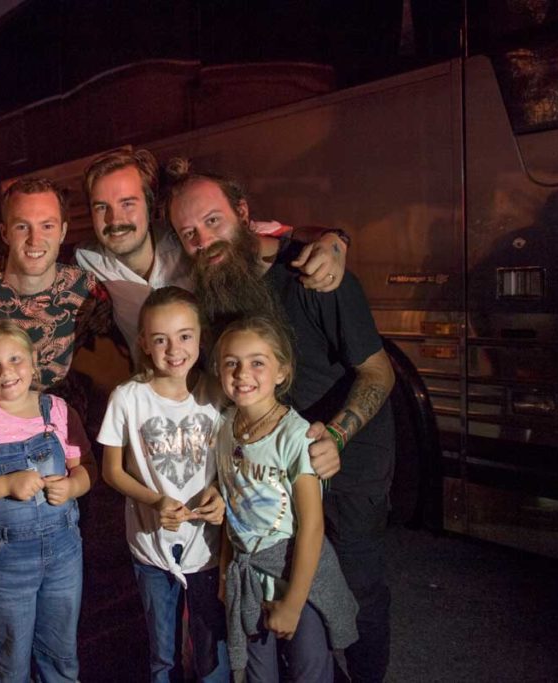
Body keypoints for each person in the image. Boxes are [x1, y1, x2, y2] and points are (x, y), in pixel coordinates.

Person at [164, 159, 395, 683]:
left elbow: (379, 373)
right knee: (289, 587)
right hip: (272, 472)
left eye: (214, 221)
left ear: (244, 213)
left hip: (347, 460)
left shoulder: (315, 274)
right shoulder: (214, 295)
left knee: (356, 591)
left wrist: (337, 433)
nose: (204, 240)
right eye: (189, 233)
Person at [0, 320, 97, 682]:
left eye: (14, 360)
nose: (6, 372)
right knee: (10, 661)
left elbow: (87, 468)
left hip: (63, 555)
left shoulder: (56, 409)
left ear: (33, 360)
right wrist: (6, 483)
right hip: (6, 560)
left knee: (61, 655)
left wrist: (73, 487)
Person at [75, 148, 349, 355]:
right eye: (101, 207)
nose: (115, 219)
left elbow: (278, 234)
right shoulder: (87, 259)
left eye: (128, 203)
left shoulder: (188, 239)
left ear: (150, 205)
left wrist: (334, 241)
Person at [213, 315, 358, 682]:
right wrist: (224, 575)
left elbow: (312, 527)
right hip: (248, 579)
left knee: (310, 672)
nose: (243, 373)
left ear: (282, 371)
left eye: (257, 362)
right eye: (232, 363)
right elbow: (232, 512)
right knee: (258, 673)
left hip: (297, 578)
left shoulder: (296, 437)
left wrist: (293, 605)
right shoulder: (225, 429)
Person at [98, 286, 229, 682]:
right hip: (151, 549)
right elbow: (112, 471)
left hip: (207, 548)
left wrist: (221, 494)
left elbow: (233, 462)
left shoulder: (218, 394)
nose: (174, 349)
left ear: (201, 336)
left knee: (212, 654)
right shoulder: (127, 398)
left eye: (185, 336)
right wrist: (156, 500)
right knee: (163, 653)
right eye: (161, 339)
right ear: (143, 342)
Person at [0, 177, 112, 419]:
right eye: (22, 226)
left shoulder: (86, 291)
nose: (34, 239)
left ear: (63, 231)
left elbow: (109, 373)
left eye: (47, 226)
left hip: (63, 431)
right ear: (5, 232)